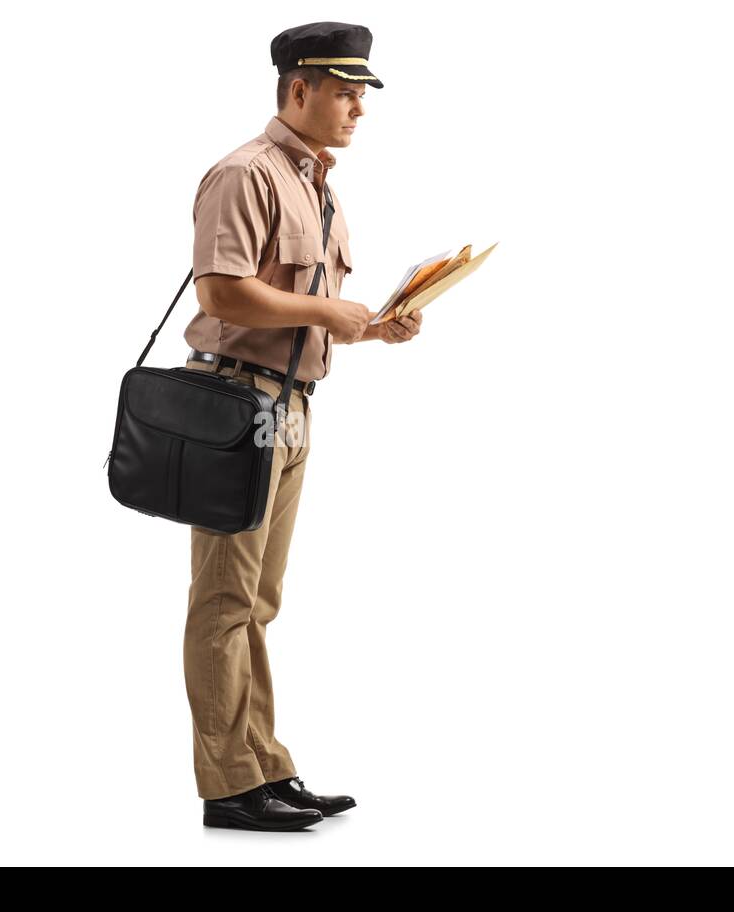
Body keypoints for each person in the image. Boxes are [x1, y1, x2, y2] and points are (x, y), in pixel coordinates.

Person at [182, 21, 424, 832]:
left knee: (258, 601)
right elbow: (221, 293)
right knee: (225, 599)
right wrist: (329, 312)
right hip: (235, 405)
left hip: (288, 406)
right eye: (346, 92)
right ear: (298, 88)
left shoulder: (315, 186)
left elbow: (299, 311)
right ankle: (229, 786)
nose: (360, 108)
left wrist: (372, 327)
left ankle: (264, 767)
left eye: (363, 94)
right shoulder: (245, 174)